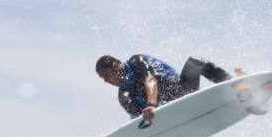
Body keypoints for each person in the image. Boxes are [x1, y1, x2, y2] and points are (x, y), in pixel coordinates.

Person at [95, 54, 234, 122]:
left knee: (195, 62)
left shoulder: (136, 62)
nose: (107, 81)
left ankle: (234, 83)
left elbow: (150, 80)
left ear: (117, 65)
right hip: (169, 110)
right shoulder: (124, 95)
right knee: (133, 105)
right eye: (103, 79)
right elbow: (139, 121)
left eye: (107, 75)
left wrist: (151, 104)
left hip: (183, 91)